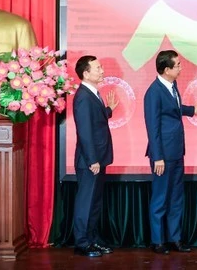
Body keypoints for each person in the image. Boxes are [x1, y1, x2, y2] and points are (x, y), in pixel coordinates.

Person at [143, 50, 197, 254]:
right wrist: (158, 157)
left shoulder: (172, 86)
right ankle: (157, 240)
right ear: (166, 69)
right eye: (178, 65)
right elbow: (152, 127)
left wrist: (192, 111)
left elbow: (173, 109)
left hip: (177, 151)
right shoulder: (154, 92)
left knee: (176, 198)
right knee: (160, 198)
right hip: (163, 155)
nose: (181, 68)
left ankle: (175, 238)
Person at [72, 55, 118, 257]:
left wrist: (108, 110)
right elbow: (85, 131)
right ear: (86, 73)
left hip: (98, 158)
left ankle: (92, 239)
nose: (102, 71)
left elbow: (95, 119)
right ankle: (82, 243)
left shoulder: (92, 93)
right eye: (98, 68)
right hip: (90, 161)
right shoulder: (83, 96)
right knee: (86, 202)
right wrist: (92, 160)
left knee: (95, 203)